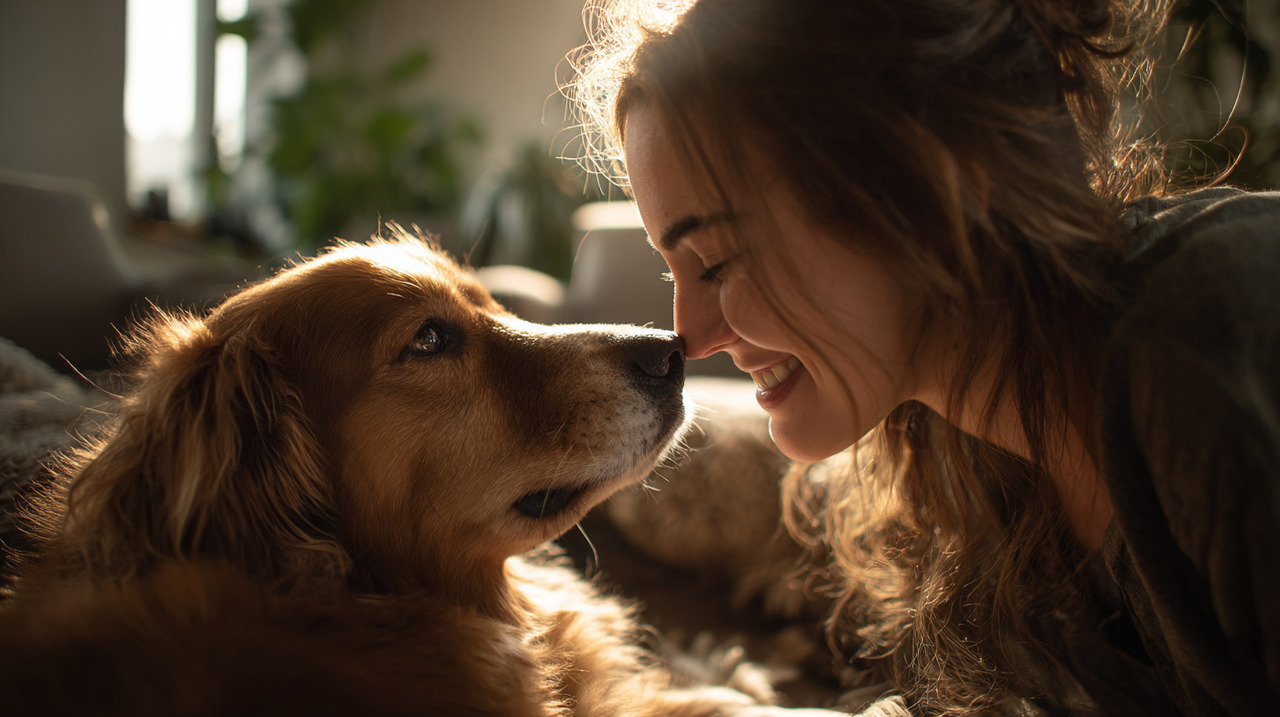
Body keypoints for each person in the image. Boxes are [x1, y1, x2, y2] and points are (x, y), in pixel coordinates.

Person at [566, 0, 1280, 715]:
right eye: (672, 271)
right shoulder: (964, 474)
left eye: (717, 259)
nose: (687, 335)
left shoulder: (1209, 339)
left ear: (932, 177)